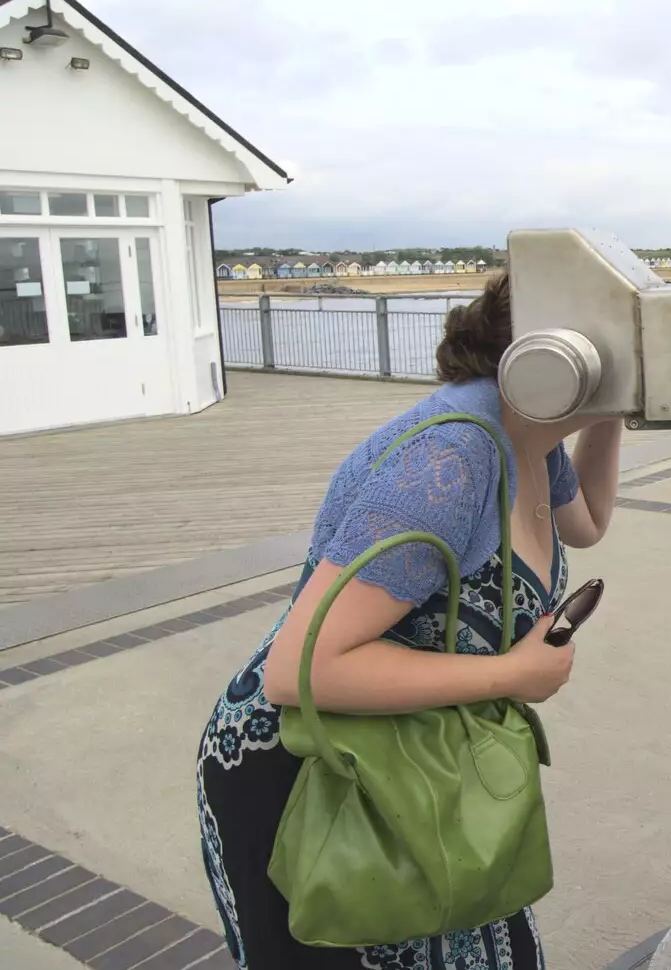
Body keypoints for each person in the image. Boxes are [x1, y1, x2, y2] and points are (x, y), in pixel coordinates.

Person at [195, 271, 622, 969]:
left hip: (418, 761)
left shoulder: (534, 435)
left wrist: (608, 415)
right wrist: (512, 673)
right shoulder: (449, 461)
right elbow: (300, 670)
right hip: (315, 777)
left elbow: (589, 524)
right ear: (560, 360)